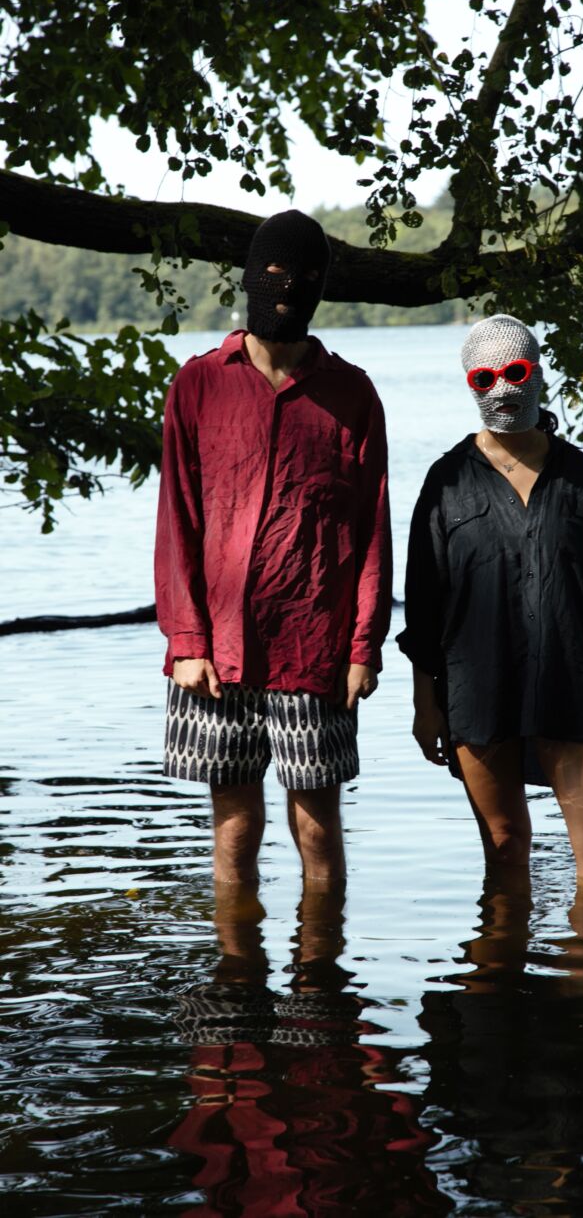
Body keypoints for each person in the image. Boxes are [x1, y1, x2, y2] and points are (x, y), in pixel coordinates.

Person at [154, 209, 391, 885]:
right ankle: (238, 979)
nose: (289, 289)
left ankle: (322, 979)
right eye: (276, 274)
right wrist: (187, 642)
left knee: (318, 824)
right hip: (217, 652)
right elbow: (178, 523)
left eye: (308, 277)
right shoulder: (199, 383)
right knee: (233, 825)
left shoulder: (353, 394)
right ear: (252, 278)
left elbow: (373, 529)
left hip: (316, 648)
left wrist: (362, 649)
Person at [396, 314, 583, 882]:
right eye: (484, 378)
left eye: (516, 371)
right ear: (469, 384)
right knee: (505, 846)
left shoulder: (577, 473)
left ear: (539, 374)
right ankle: (501, 969)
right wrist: (424, 705)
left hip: (572, 682)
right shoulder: (446, 480)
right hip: (477, 690)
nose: (502, 387)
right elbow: (424, 605)